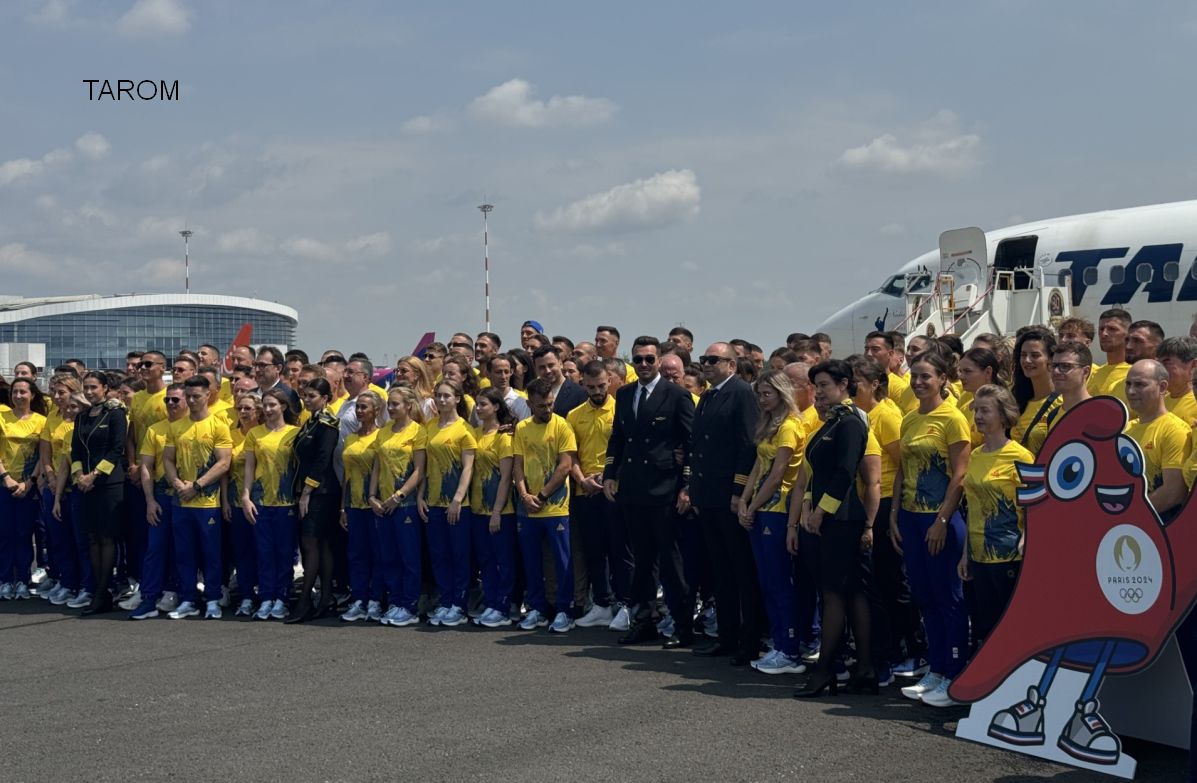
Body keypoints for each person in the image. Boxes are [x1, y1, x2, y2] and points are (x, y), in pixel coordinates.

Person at [890, 350, 971, 707]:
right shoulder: (909, 419)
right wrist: (894, 514)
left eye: (927, 376)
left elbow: (961, 474)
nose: (919, 382)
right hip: (910, 516)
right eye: (915, 376)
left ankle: (954, 672)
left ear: (943, 379)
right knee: (923, 596)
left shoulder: (952, 419)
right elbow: (904, 470)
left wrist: (941, 520)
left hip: (940, 518)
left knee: (947, 598)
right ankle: (936, 668)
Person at [604, 336, 695, 648]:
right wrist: (610, 475)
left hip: (665, 490)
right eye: (638, 359)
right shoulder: (626, 393)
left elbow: (690, 445)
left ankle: (683, 627)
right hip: (633, 489)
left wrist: (686, 486)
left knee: (671, 563)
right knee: (641, 564)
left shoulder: (677, 395)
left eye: (649, 359)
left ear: (659, 361)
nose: (643, 364)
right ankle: (644, 622)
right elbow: (618, 438)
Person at [791, 359, 875, 698]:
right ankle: (863, 669)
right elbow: (817, 473)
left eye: (824, 385)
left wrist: (821, 511)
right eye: (816, 386)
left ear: (843, 385)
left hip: (842, 519)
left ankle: (826, 669)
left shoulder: (851, 423)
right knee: (848, 594)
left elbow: (844, 472)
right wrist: (811, 502)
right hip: (829, 517)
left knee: (835, 595)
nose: (819, 392)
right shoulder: (830, 423)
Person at [685, 342, 763, 663]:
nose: (705, 364)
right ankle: (727, 635)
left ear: (731, 365)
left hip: (728, 496)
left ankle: (750, 640)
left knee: (741, 571)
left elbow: (747, 445)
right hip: (708, 496)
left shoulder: (742, 393)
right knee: (721, 572)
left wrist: (738, 491)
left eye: (713, 360)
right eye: (704, 359)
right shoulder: (708, 395)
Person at [848, 355, 922, 680]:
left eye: (857, 384)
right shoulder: (860, 414)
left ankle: (912, 649)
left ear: (875, 384)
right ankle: (887, 648)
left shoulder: (887, 415)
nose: (851, 390)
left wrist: (893, 514)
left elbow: (902, 463)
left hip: (887, 500)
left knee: (891, 582)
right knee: (874, 583)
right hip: (867, 501)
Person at [736, 370, 805, 674]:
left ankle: (789, 648)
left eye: (767, 394)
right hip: (762, 506)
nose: (762, 400)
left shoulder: (790, 426)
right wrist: (744, 499)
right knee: (766, 581)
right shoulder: (767, 424)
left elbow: (778, 474)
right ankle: (779, 642)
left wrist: (754, 505)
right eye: (760, 394)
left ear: (781, 394)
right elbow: (758, 465)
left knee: (779, 582)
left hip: (779, 508)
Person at [958, 384, 1034, 644]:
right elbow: (973, 507)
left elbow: (1036, 507)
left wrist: (1027, 538)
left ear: (1003, 416)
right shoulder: (976, 455)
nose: (978, 416)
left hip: (1009, 554)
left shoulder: (1022, 456)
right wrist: (966, 554)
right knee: (984, 625)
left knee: (1010, 625)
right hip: (979, 556)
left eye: (985, 410)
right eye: (976, 410)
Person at [567, 360, 632, 631]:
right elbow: (570, 455)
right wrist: (582, 479)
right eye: (591, 386)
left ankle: (627, 605)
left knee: (621, 550)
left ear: (611, 381)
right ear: (582, 383)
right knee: (595, 551)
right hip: (586, 491)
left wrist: (609, 478)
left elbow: (628, 450)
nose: (596, 391)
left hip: (614, 489)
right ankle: (603, 605)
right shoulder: (574, 415)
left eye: (601, 385)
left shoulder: (621, 410)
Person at [164, 376, 233, 620]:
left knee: (211, 553)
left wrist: (197, 485)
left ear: (208, 395)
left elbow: (224, 462)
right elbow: (168, 460)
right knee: (184, 553)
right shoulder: (176, 427)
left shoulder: (218, 425)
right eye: (189, 396)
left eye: (197, 396)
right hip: (181, 500)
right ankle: (187, 599)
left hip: (208, 502)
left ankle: (213, 599)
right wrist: (177, 483)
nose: (192, 401)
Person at [513, 378, 578, 633]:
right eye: (541, 406)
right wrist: (524, 495)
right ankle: (537, 608)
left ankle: (564, 610)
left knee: (562, 561)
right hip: (527, 507)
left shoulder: (562, 426)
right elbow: (517, 466)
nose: (547, 409)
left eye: (550, 404)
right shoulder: (522, 428)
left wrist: (540, 496)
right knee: (531, 560)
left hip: (555, 506)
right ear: (530, 404)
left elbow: (565, 466)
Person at [416, 378, 476, 627]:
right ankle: (445, 600)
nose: (441, 400)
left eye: (447, 396)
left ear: (457, 399)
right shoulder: (428, 428)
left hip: (457, 503)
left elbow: (468, 468)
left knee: (459, 555)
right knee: (439, 554)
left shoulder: (464, 429)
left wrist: (458, 499)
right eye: (438, 396)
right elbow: (423, 467)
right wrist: (420, 496)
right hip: (432, 501)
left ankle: (459, 605)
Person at [127, 383, 189, 619]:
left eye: (176, 400)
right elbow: (146, 467)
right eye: (168, 400)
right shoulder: (155, 429)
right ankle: (149, 597)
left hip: (189, 496)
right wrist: (150, 500)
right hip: (162, 495)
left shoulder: (194, 426)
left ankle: (179, 593)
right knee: (155, 547)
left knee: (182, 548)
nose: (171, 404)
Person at [68, 372, 126, 614]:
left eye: (94, 387)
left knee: (107, 538)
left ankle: (102, 593)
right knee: (92, 538)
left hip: (109, 484)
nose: (90, 392)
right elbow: (75, 451)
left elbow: (117, 448)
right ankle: (100, 592)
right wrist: (80, 476)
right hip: (85, 485)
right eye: (86, 387)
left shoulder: (115, 414)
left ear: (105, 388)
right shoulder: (82, 417)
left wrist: (95, 475)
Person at [369, 386, 426, 627]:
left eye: (395, 404)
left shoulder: (418, 432)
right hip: (382, 503)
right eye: (389, 404)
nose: (391, 408)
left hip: (405, 504)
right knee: (388, 556)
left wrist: (399, 495)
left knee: (409, 557)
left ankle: (410, 605)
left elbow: (420, 470)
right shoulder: (382, 433)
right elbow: (377, 467)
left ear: (408, 406)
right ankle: (396, 600)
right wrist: (372, 496)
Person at [288, 378, 341, 623]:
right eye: (305, 396)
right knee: (319, 544)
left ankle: (307, 598)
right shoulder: (310, 422)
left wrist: (307, 491)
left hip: (322, 491)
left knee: (312, 542)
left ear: (325, 398)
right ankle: (325, 596)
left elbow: (322, 458)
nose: (307, 400)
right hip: (309, 490)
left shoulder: (327, 423)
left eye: (312, 396)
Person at [469, 388, 517, 628]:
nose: (478, 408)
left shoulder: (504, 436)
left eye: (484, 404)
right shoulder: (474, 434)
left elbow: (506, 478)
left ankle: (504, 606)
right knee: (485, 560)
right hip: (477, 508)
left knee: (503, 561)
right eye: (477, 404)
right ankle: (490, 603)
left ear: (496, 407)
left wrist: (497, 511)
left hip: (501, 510)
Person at [1124, 359, 1191, 519]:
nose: (1131, 391)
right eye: (1128, 384)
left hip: (1159, 529)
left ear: (1162, 387)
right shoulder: (1125, 429)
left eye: (1140, 384)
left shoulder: (1174, 430)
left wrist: (1126, 515)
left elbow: (1173, 493)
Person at [0, 377, 48, 600]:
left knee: (24, 533)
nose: (18, 396)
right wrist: (6, 478)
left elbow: (42, 455)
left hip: (29, 486)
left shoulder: (41, 421)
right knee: (5, 533)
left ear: (33, 395)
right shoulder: (2, 416)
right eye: (15, 392)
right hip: (4, 484)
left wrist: (29, 482)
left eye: (23, 392)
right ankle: (5, 579)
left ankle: (23, 579)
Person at [339, 391, 384, 623]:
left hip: (373, 504)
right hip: (353, 504)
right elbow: (347, 475)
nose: (359, 411)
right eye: (358, 407)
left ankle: (375, 600)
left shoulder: (380, 437)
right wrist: (342, 508)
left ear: (376, 411)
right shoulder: (350, 439)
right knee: (356, 554)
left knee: (376, 553)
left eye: (364, 407)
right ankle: (359, 598)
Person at [48, 389, 93, 607]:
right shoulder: (68, 433)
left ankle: (90, 587)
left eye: (74, 406)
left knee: (86, 543)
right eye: (69, 406)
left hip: (94, 492)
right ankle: (71, 583)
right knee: (69, 541)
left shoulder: (95, 431)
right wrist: (57, 498)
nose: (69, 410)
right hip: (72, 493)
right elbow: (65, 467)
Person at [1011, 329, 1059, 455]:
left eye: (1035, 355)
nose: (1027, 360)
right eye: (1023, 355)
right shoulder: (1016, 399)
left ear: (1051, 358)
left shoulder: (1063, 401)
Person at [957, 347, 1007, 448]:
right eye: (960, 371)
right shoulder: (964, 407)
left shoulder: (1001, 407)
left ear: (988, 372)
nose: (961, 376)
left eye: (967, 371)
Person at [1088, 308, 1131, 402]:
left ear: (1128, 334)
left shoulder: (1136, 372)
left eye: (1112, 329)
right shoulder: (1095, 374)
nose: (1104, 334)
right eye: (1101, 329)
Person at [532, 345, 587, 417]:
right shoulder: (533, 393)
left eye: (551, 365)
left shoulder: (580, 393)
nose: (547, 371)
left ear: (560, 364)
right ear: (536, 369)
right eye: (542, 367)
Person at [865, 331, 911, 411]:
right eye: (866, 349)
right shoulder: (864, 383)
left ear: (890, 354)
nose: (868, 354)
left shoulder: (900, 388)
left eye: (875, 349)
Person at [1048, 341, 1093, 424]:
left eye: (1065, 366)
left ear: (1085, 372)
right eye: (1054, 366)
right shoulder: (1052, 416)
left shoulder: (1100, 412)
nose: (1056, 371)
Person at [1157, 336, 1197, 425]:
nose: (1159, 369)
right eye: (1158, 364)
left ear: (1193, 365)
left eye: (1166, 363)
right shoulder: (1159, 402)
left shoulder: (1195, 402)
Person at [480, 355, 530, 421]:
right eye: (498, 372)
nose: (503, 377)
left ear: (511, 372)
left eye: (506, 372)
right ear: (488, 374)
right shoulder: (480, 403)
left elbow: (525, 429)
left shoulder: (520, 403)